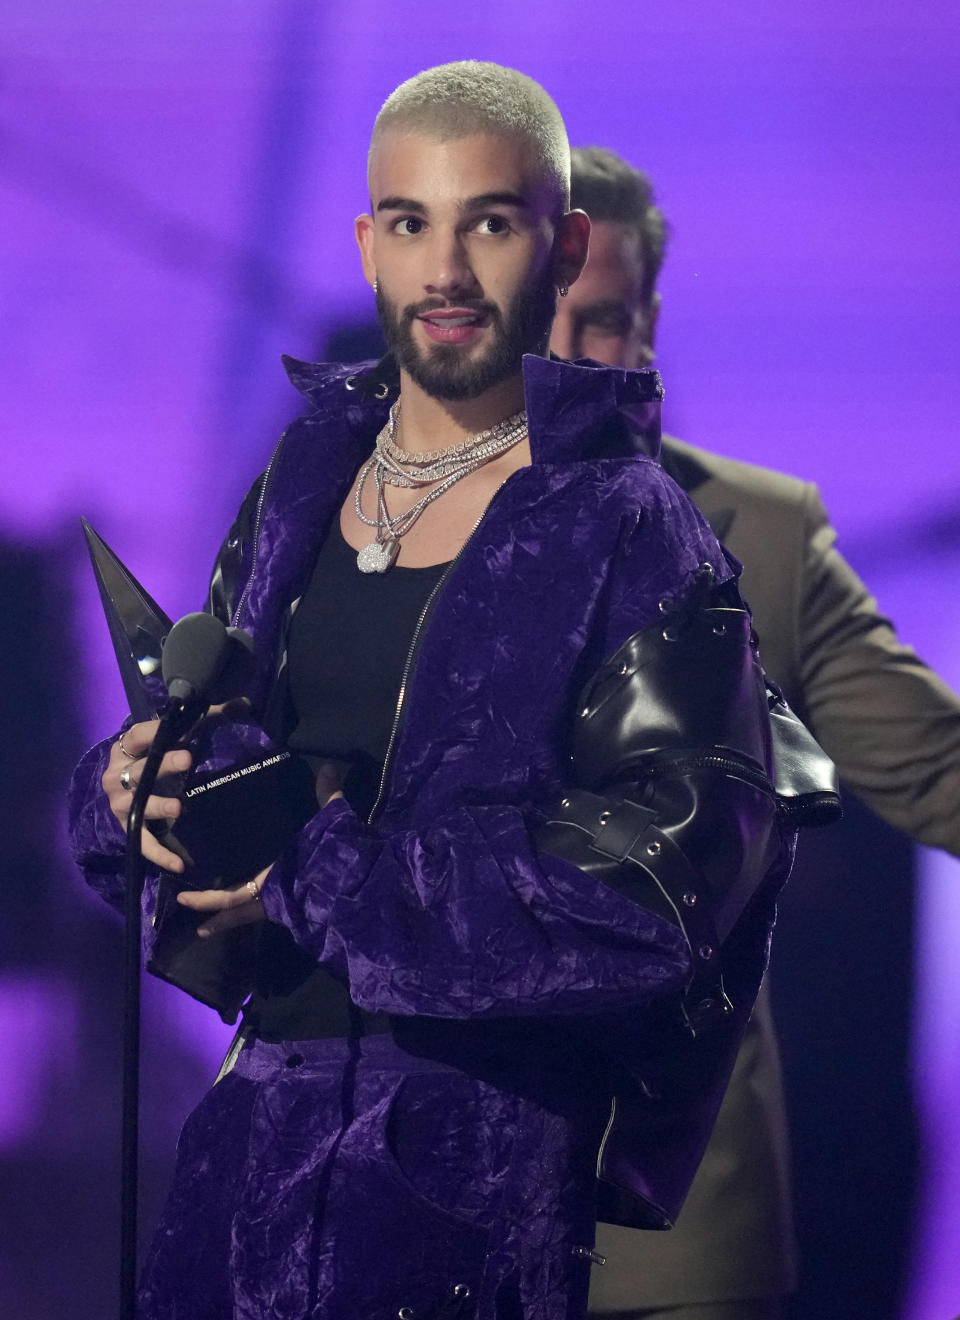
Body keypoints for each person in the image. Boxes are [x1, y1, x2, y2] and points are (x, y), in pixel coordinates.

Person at [67, 66, 804, 1320]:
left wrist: (329, 869)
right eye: (411, 221)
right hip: (245, 1169)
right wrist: (135, 796)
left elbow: (657, 885)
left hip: (465, 1195)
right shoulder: (300, 484)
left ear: (564, 247)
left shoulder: (627, 527)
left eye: (492, 222)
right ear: (367, 244)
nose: (447, 269)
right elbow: (235, 764)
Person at [551, 146, 960, 1320]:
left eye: (610, 322)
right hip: (401, 1222)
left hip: (666, 1248)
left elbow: (938, 766)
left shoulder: (761, 539)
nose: (576, 362)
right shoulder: (349, 529)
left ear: (653, 326)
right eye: (548, 322)